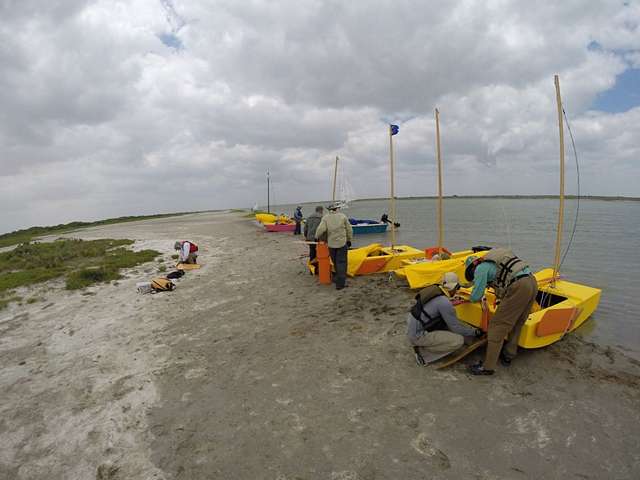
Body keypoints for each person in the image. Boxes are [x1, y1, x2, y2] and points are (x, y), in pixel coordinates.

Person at [464, 248, 538, 375]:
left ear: (472, 268)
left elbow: (476, 296)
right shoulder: (493, 263)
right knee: (518, 322)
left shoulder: (480, 269)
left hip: (518, 286)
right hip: (532, 282)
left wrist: (467, 298)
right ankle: (508, 355)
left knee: (496, 326)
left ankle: (488, 367)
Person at [408, 272, 482, 365]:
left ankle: (424, 343)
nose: (457, 291)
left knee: (450, 324)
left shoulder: (436, 290)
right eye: (457, 288)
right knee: (458, 340)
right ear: (452, 287)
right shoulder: (444, 302)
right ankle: (423, 354)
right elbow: (456, 327)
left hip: (416, 326)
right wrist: (475, 332)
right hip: (418, 335)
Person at [314, 203, 353, 290]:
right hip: (342, 243)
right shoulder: (343, 216)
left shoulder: (326, 218)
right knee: (342, 263)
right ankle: (340, 284)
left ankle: (338, 278)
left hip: (331, 244)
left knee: (335, 262)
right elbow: (349, 229)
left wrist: (316, 237)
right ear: (337, 209)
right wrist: (349, 240)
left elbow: (320, 229)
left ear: (329, 210)